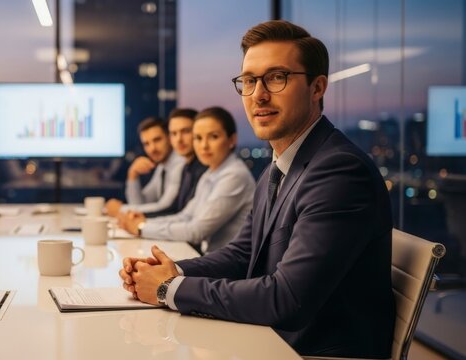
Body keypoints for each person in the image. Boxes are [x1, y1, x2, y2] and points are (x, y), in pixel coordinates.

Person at [119, 20, 395, 358]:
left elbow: (287, 299)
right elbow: (242, 254)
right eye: (249, 80)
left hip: (313, 352)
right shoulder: (277, 168)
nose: (259, 94)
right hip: (274, 341)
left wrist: (168, 288)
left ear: (317, 87)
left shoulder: (339, 171)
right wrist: (170, 269)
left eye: (277, 77)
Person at [119, 107, 255, 253]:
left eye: (213, 137)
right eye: (198, 138)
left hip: (229, 268)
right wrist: (144, 223)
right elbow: (186, 215)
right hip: (211, 258)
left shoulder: (234, 175)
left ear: (232, 140)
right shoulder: (210, 173)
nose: (204, 146)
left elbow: (197, 231)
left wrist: (142, 227)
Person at [105, 116, 185, 216]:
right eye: (146, 144)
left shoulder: (180, 163)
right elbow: (140, 203)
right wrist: (132, 174)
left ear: (169, 138)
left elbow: (165, 207)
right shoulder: (163, 166)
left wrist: (121, 209)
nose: (152, 149)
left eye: (157, 140)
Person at [143, 108, 208, 218]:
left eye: (186, 131)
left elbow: (189, 221)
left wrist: (141, 225)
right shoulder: (187, 168)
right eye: (174, 133)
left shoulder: (205, 169)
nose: (179, 139)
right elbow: (176, 209)